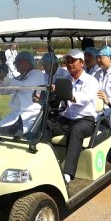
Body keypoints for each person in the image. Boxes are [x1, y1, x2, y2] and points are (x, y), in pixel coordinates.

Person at [46, 49, 99, 185]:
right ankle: (46, 164)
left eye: (73, 61)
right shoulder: (64, 81)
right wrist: (49, 94)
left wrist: (65, 93)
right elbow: (58, 101)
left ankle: (67, 173)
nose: (70, 64)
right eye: (68, 62)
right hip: (67, 118)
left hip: (85, 119)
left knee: (76, 131)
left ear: (82, 63)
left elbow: (83, 99)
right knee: (46, 124)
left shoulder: (91, 81)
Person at [0, 51, 46, 135]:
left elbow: (24, 86)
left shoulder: (36, 74)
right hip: (16, 114)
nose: (16, 64)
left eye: (18, 62)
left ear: (28, 62)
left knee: (14, 135)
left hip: (30, 114)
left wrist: (5, 78)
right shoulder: (21, 77)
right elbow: (2, 90)